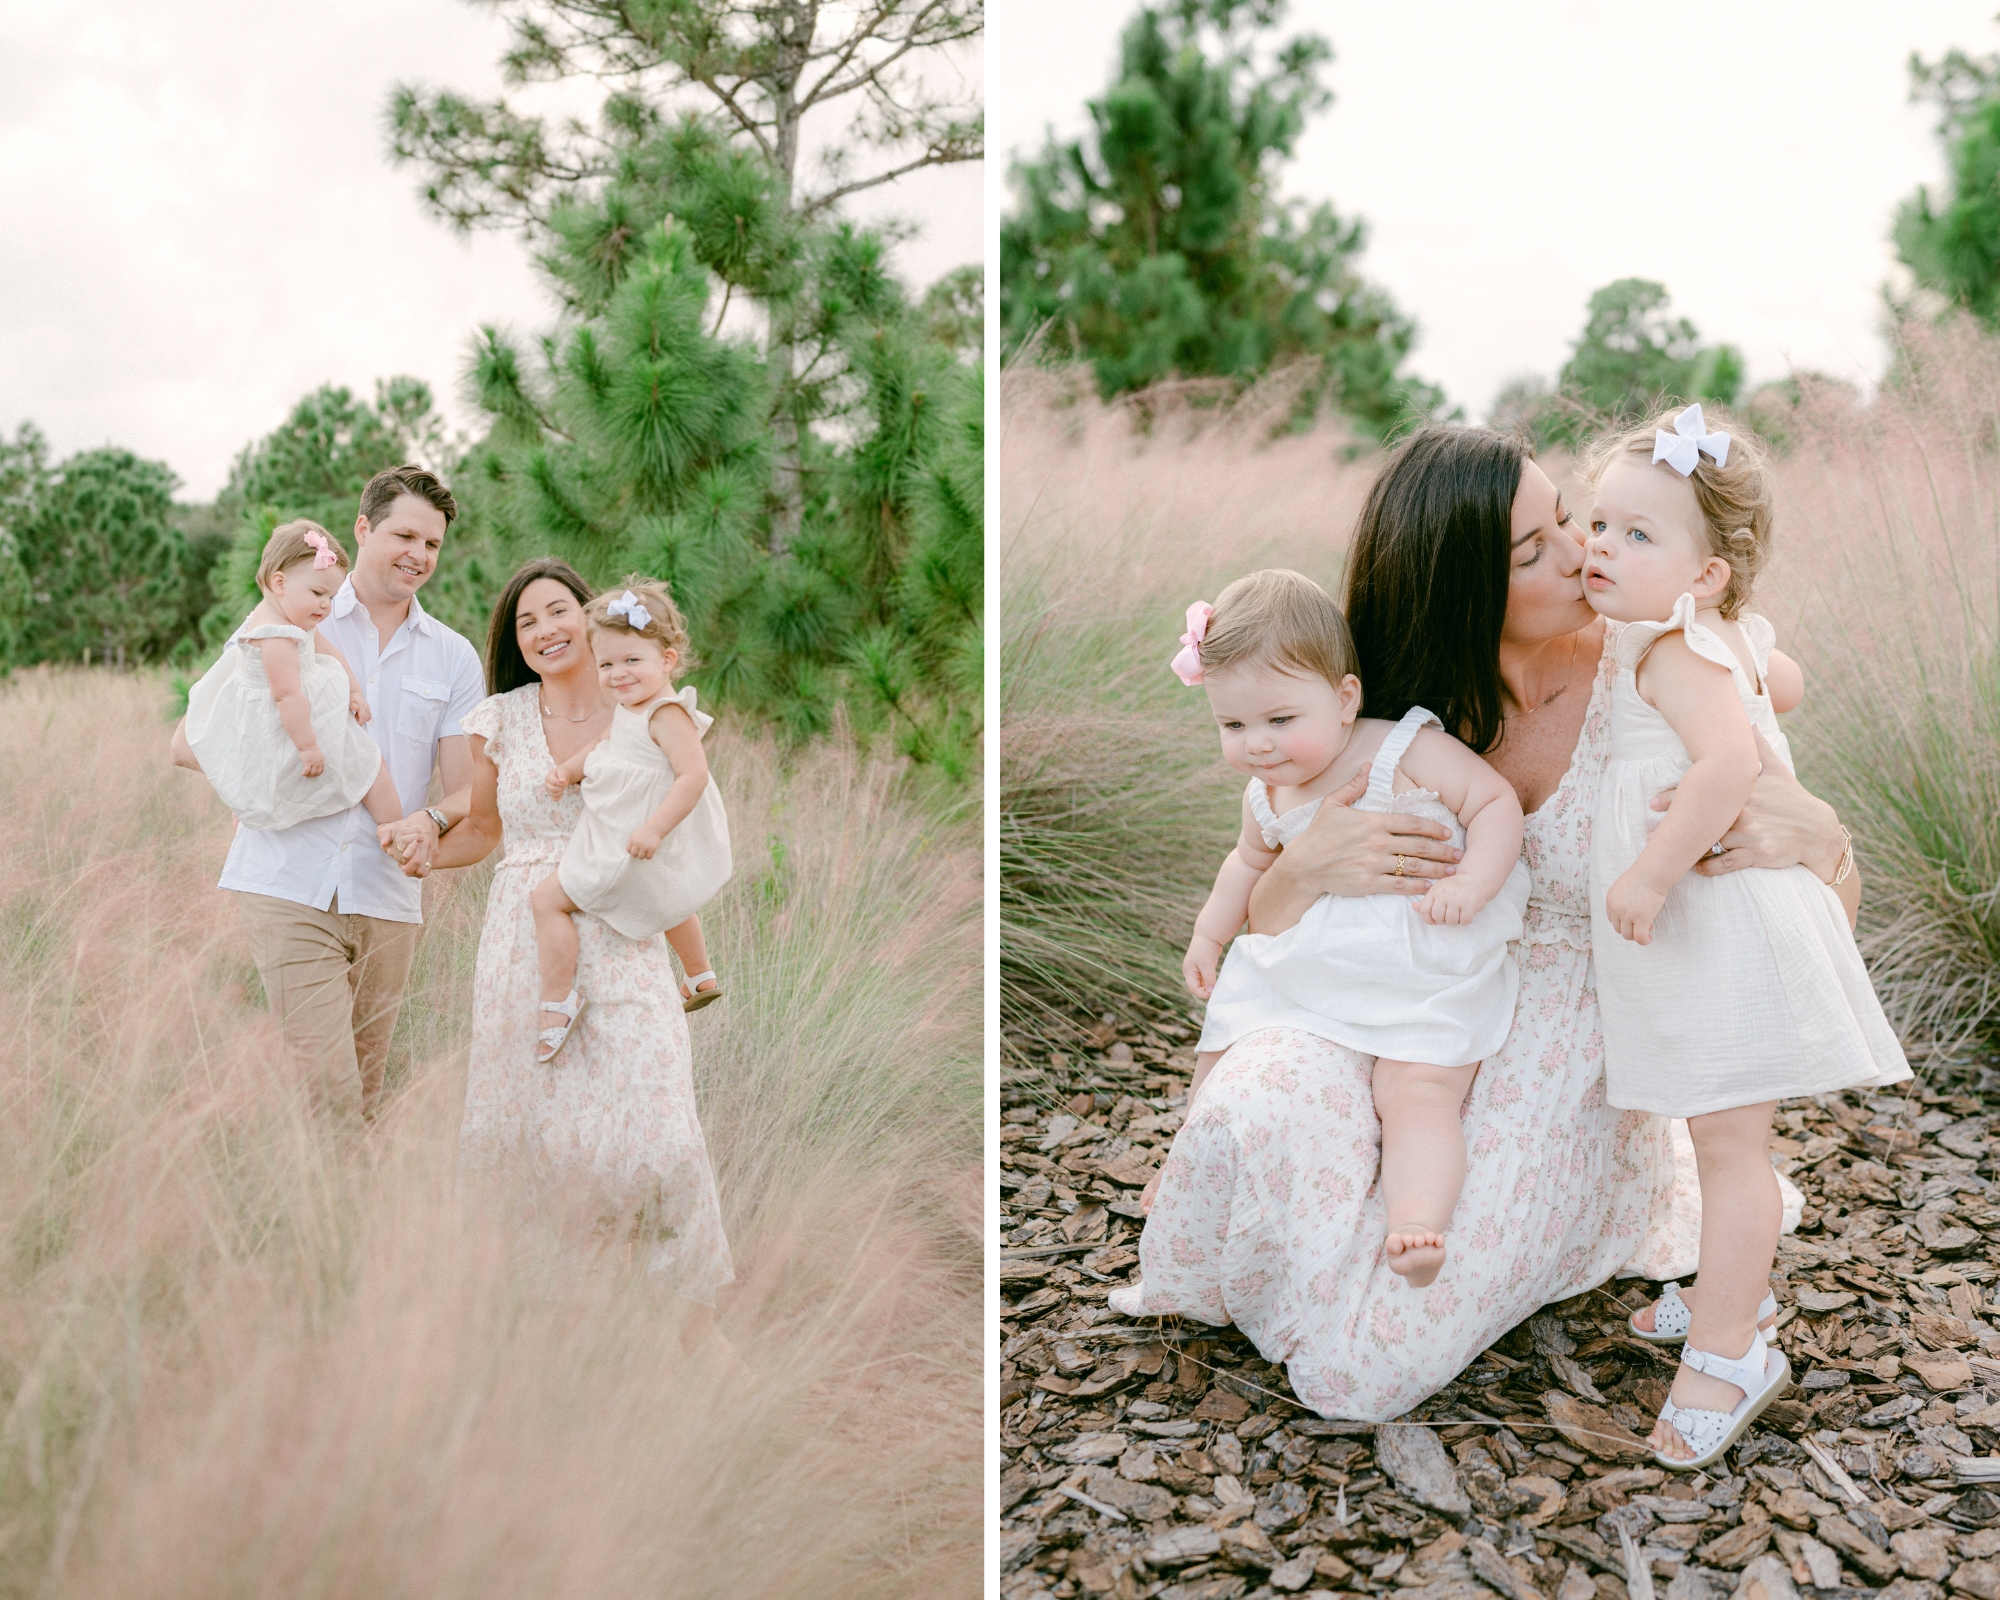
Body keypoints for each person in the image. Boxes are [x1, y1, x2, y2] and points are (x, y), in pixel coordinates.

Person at [1113, 426, 1852, 1421]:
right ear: (1456, 588)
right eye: (1532, 546)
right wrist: (1303, 867)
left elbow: (1808, 905)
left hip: (1571, 1039)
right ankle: (1276, 1263)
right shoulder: (1386, 702)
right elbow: (1265, 910)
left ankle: (1419, 1273)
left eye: (1567, 514)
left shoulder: (1658, 659)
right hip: (1400, 996)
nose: (1578, 548)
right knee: (1261, 1103)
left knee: (1357, 1371)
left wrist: (1821, 836)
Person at [1581, 405, 1907, 1466]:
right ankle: (1725, 1291)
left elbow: (1723, 770)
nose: (1597, 547)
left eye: (1636, 536)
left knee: (1728, 1149)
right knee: (1714, 1132)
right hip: (1732, 918)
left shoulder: (1669, 651)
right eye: (1595, 524)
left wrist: (1645, 869)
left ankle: (1729, 1349)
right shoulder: (1725, 636)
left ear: (1705, 575)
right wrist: (1749, 648)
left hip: (1718, 915)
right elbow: (1784, 684)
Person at [391, 558, 733, 1322]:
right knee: (537, 1136)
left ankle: (682, 1321)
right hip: (526, 944)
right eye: (525, 621)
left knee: (657, 1134)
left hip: (625, 931)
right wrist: (422, 849)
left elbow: (676, 830)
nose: (544, 630)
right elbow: (481, 829)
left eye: (557, 611)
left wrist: (695, 963)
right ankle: (556, 1323)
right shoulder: (501, 717)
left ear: (594, 614)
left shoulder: (643, 708)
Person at [1173, 569, 1529, 1286]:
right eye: (1232, 726)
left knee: (1420, 1090)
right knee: (1226, 1036)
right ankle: (1185, 1172)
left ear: (1344, 698)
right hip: (1319, 970)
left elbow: (1495, 803)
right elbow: (1245, 866)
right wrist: (1210, 937)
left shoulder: (1400, 749)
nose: (1259, 745)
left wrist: (1472, 882)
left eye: (1279, 720)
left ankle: (1417, 1220)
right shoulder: (1265, 793)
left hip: (1422, 962)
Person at [171, 465, 483, 1126]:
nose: (418, 555)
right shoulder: (291, 617)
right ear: (362, 528)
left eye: (432, 544)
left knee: (365, 1099)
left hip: (388, 899)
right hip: (288, 883)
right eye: (404, 535)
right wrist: (291, 769)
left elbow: (466, 792)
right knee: (330, 1094)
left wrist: (428, 820)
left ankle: (340, 1225)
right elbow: (191, 740)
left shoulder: (452, 658)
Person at [530, 578, 731, 1062]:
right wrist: (568, 771)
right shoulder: (633, 709)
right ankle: (699, 974)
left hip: (637, 839)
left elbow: (692, 776)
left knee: (545, 901)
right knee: (666, 894)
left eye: (632, 661)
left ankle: (558, 1002)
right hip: (636, 839)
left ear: (667, 661)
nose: (618, 674)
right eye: (607, 664)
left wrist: (654, 828)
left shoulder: (666, 713)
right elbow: (606, 748)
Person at [183, 520, 403, 833]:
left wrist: (354, 691)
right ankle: (394, 827)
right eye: (318, 592)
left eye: (331, 596)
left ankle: (390, 825)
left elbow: (327, 651)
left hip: (290, 713)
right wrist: (308, 747)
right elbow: (287, 695)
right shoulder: (275, 636)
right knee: (366, 761)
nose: (325, 605)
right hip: (289, 720)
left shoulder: (292, 619)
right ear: (280, 583)